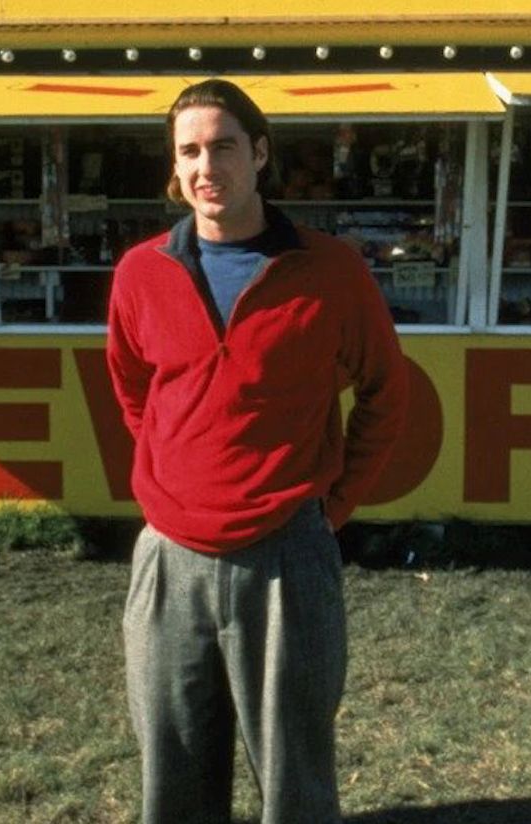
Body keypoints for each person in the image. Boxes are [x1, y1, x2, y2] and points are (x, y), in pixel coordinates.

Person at [105, 79, 409, 823]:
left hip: (286, 556)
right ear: (175, 171)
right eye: (190, 152)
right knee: (171, 782)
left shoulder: (329, 270)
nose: (207, 167)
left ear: (261, 153)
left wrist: (328, 508)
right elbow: (135, 393)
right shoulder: (142, 273)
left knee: (294, 784)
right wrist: (175, 483)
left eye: (223, 146)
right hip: (170, 560)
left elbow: (386, 393)